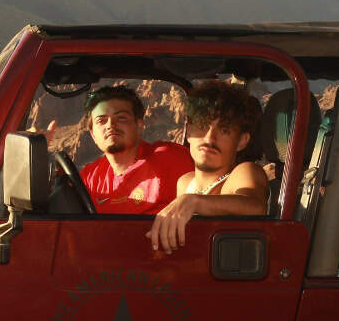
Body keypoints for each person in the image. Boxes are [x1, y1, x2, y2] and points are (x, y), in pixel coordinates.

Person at [148, 81, 269, 253]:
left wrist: (193, 201)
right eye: (203, 126)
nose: (210, 139)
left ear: (242, 141)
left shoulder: (244, 171)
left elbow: (255, 207)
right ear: (188, 132)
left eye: (224, 130)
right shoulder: (185, 182)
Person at [35, 86, 193, 214]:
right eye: (101, 120)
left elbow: (211, 192)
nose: (110, 125)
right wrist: (35, 156)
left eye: (121, 117)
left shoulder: (169, 158)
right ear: (93, 134)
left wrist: (189, 204)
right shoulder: (91, 176)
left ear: (139, 125)